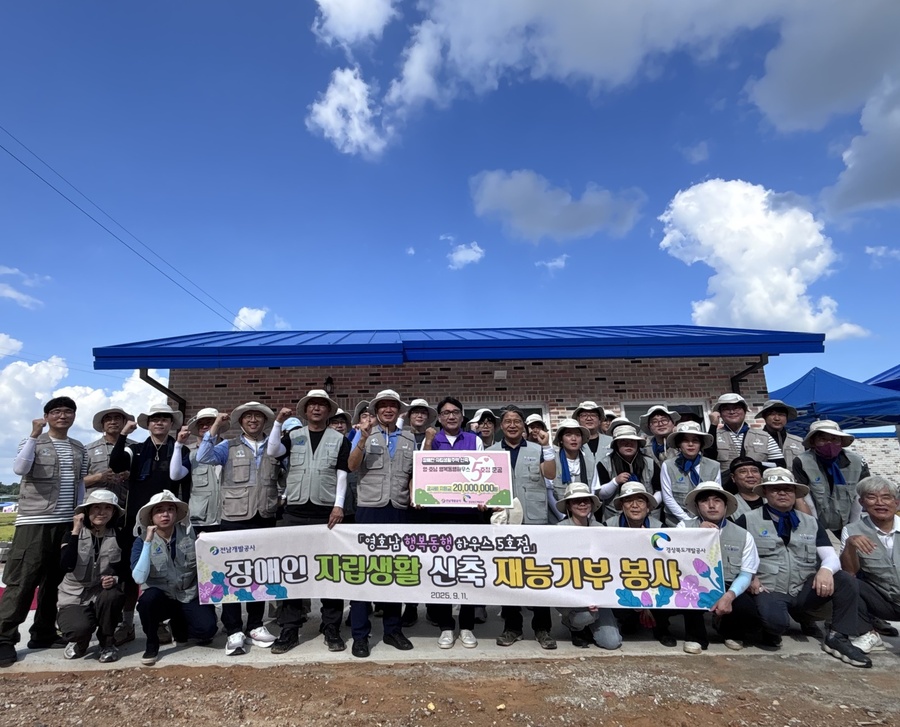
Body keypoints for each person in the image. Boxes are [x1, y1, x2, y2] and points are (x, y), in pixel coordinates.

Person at [736, 468, 871, 667]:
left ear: (795, 494)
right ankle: (768, 628)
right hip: (769, 588)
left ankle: (838, 637)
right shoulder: (747, 520)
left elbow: (830, 556)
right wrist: (750, 576)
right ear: (765, 493)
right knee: (776, 625)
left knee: (844, 579)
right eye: (775, 489)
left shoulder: (811, 522)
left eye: (788, 489)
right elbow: (735, 555)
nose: (782, 493)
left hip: (803, 587)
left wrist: (826, 570)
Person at [0, 397, 88, 668]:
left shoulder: (78, 448)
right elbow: (19, 469)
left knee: (55, 581)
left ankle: (44, 632)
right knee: (23, 580)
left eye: (68, 412)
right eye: (57, 412)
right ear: (47, 416)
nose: (63, 416)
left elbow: (80, 483)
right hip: (34, 522)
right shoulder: (33, 442)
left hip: (65, 522)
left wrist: (79, 512)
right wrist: (33, 434)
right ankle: (4, 638)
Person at [266, 389, 351, 654]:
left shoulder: (339, 439)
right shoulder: (293, 435)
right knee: (293, 571)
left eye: (321, 406)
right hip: (295, 511)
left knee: (330, 571)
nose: (316, 409)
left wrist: (339, 505)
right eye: (312, 405)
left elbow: (342, 474)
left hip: (326, 512)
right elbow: (272, 451)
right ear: (305, 411)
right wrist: (278, 421)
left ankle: (331, 627)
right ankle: (289, 629)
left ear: (328, 411)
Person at [197, 401, 280, 656]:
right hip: (234, 516)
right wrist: (215, 428)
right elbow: (203, 457)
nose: (253, 420)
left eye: (258, 417)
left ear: (265, 421)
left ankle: (255, 625)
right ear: (241, 422)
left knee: (259, 573)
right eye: (248, 417)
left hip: (265, 515)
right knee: (232, 573)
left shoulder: (274, 446)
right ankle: (233, 628)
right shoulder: (228, 445)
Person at [108, 403, 191, 647]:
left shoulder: (180, 451)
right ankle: (127, 622)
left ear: (171, 423)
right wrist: (123, 434)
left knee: (166, 569)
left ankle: (161, 622)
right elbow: (116, 464)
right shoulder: (135, 449)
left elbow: (182, 481)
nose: (159, 423)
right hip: (137, 522)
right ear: (148, 423)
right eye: (155, 419)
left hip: (168, 520)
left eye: (165, 419)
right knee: (130, 573)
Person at [347, 389, 417, 658]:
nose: (388, 410)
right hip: (369, 510)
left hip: (399, 509)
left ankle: (392, 630)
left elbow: (413, 473)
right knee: (363, 573)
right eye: (383, 406)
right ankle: (360, 635)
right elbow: (352, 466)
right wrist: (363, 437)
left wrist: (414, 492)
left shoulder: (409, 437)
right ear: (376, 410)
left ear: (399, 411)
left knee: (394, 573)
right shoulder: (362, 433)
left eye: (393, 406)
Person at [489, 406, 557, 650]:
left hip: (535, 520)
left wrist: (547, 446)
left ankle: (542, 629)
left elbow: (550, 474)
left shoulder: (538, 449)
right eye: (507, 421)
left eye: (517, 421)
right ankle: (512, 627)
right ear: (501, 426)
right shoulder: (491, 452)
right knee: (508, 575)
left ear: (524, 426)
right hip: (506, 523)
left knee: (538, 575)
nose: (512, 425)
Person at [423, 396, 483, 649]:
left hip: (470, 514)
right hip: (438, 514)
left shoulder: (474, 439)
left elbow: (484, 473)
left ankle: (467, 625)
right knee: (443, 569)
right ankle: (446, 626)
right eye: (445, 412)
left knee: (468, 570)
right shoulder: (431, 440)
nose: (450, 416)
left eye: (455, 412)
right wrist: (427, 441)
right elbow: (422, 468)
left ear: (462, 416)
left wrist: (484, 498)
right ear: (438, 417)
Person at [130, 490, 217, 666]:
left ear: (177, 514)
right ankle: (152, 643)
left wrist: (206, 543)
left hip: (188, 594)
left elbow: (210, 563)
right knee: (147, 601)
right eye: (159, 510)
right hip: (162, 597)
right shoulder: (140, 541)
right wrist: (148, 541)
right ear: (151, 516)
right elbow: (139, 577)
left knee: (207, 631)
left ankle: (180, 625)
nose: (165, 514)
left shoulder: (192, 534)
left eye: (170, 509)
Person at [677, 482, 759, 652]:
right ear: (698, 507)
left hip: (727, 583)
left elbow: (746, 573)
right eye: (705, 501)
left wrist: (729, 596)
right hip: (692, 582)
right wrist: (697, 534)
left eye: (717, 501)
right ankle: (695, 637)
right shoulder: (684, 527)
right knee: (689, 592)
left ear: (725, 505)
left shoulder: (743, 535)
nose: (712, 505)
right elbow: (674, 559)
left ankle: (729, 630)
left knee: (748, 609)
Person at [604, 482, 678, 646]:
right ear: (622, 505)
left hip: (652, 579)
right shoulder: (608, 526)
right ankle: (628, 620)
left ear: (648, 507)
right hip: (619, 578)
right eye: (629, 500)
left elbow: (667, 562)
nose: (635, 506)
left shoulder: (660, 528)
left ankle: (662, 628)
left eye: (640, 501)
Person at [57, 489, 126, 662]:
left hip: (101, 593)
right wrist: (76, 530)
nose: (102, 513)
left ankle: (107, 643)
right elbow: (66, 564)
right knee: (78, 628)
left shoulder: (118, 535)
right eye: (96, 507)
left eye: (107, 508)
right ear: (86, 511)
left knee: (114, 595)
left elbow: (127, 569)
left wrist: (115, 579)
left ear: (114, 512)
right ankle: (79, 641)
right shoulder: (71, 533)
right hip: (73, 595)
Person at [554, 482, 621, 650]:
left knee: (612, 643)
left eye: (586, 500)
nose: (582, 504)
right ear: (569, 505)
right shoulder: (557, 531)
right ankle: (573, 625)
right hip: (571, 592)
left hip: (598, 591)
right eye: (577, 501)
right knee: (586, 616)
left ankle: (591, 625)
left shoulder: (601, 529)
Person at [840, 475, 900, 653]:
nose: (880, 503)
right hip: (884, 601)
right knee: (845, 581)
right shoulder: (851, 530)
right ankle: (868, 633)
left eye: (886, 497)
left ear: (896, 503)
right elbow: (849, 572)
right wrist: (850, 545)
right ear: (862, 503)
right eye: (872, 497)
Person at [793, 420, 869, 536]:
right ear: (813, 441)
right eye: (823, 439)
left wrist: (853, 528)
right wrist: (816, 529)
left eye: (834, 439)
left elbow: (861, 494)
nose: (829, 444)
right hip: (817, 522)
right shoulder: (802, 461)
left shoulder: (857, 461)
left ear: (841, 441)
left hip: (850, 521)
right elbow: (804, 497)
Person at [705, 393, 784, 483]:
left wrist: (755, 464)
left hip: (757, 488)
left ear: (745, 410)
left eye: (736, 408)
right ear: (720, 414)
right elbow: (707, 461)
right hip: (725, 490)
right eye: (726, 409)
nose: (732, 412)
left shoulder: (764, 436)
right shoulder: (712, 436)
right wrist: (713, 425)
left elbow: (779, 465)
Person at [594, 425, 661, 521]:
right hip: (615, 516)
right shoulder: (604, 464)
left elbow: (659, 490)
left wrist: (649, 506)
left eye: (632, 441)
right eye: (623, 441)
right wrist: (615, 482)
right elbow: (601, 494)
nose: (628, 444)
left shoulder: (650, 462)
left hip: (648, 515)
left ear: (638, 444)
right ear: (616, 444)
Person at [660, 421, 719, 524]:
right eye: (685, 441)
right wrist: (687, 520)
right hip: (675, 522)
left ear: (701, 444)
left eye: (695, 441)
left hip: (706, 521)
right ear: (679, 444)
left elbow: (717, 494)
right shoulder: (668, 465)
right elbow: (667, 497)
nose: (690, 444)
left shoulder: (714, 466)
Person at [185, 407, 226, 534]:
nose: (204, 426)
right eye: (201, 424)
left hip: (229, 516)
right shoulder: (188, 452)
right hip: (199, 519)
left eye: (209, 423)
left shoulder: (231, 448)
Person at [83, 407, 135, 506]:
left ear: (125, 422)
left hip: (126, 507)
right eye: (108, 419)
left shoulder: (135, 448)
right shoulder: (87, 450)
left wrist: (129, 476)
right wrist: (99, 477)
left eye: (117, 418)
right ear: (102, 425)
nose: (113, 422)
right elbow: (76, 483)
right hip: (94, 508)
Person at [549, 418, 594, 521]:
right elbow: (549, 493)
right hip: (557, 518)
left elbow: (594, 491)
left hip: (585, 517)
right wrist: (563, 516)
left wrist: (585, 516)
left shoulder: (590, 462)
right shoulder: (552, 461)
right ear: (561, 439)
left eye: (578, 435)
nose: (574, 438)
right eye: (568, 435)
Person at [756, 400, 805, 469]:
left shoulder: (799, 442)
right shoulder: (754, 439)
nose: (777, 418)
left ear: (787, 418)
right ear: (764, 417)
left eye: (781, 415)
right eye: (772, 414)